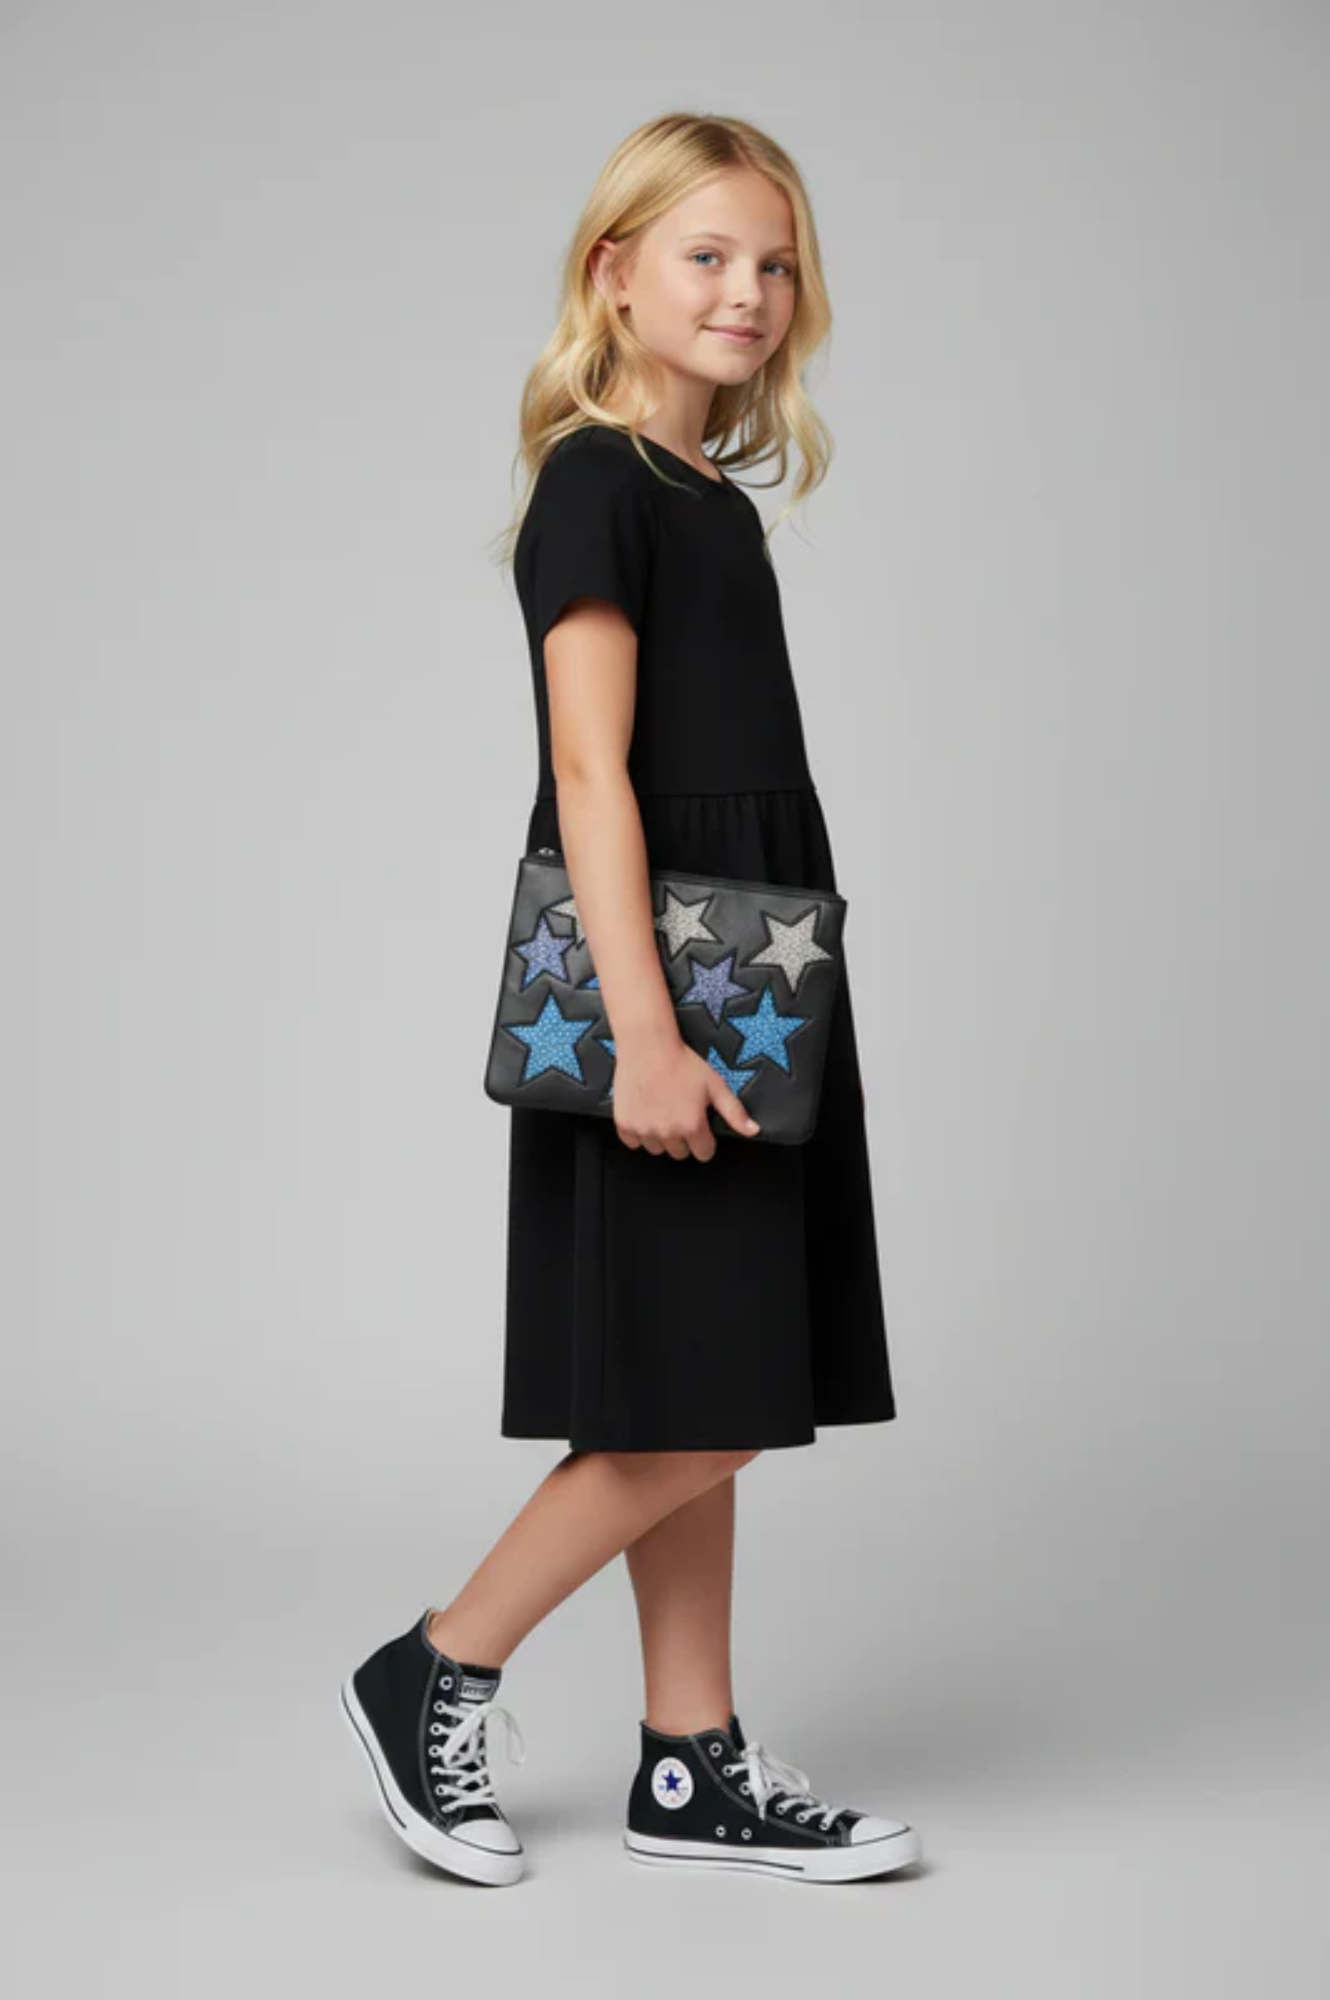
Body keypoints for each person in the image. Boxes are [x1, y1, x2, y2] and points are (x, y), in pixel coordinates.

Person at [340, 111, 920, 1888]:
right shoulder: (596, 482)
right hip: (668, 984)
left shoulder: (707, 499)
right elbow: (587, 771)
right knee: (707, 1390)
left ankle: (689, 1754)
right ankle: (434, 1666)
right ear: (612, 274)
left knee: (702, 1367)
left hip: (751, 970)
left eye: (775, 263)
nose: (748, 291)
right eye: (706, 255)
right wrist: (647, 1035)